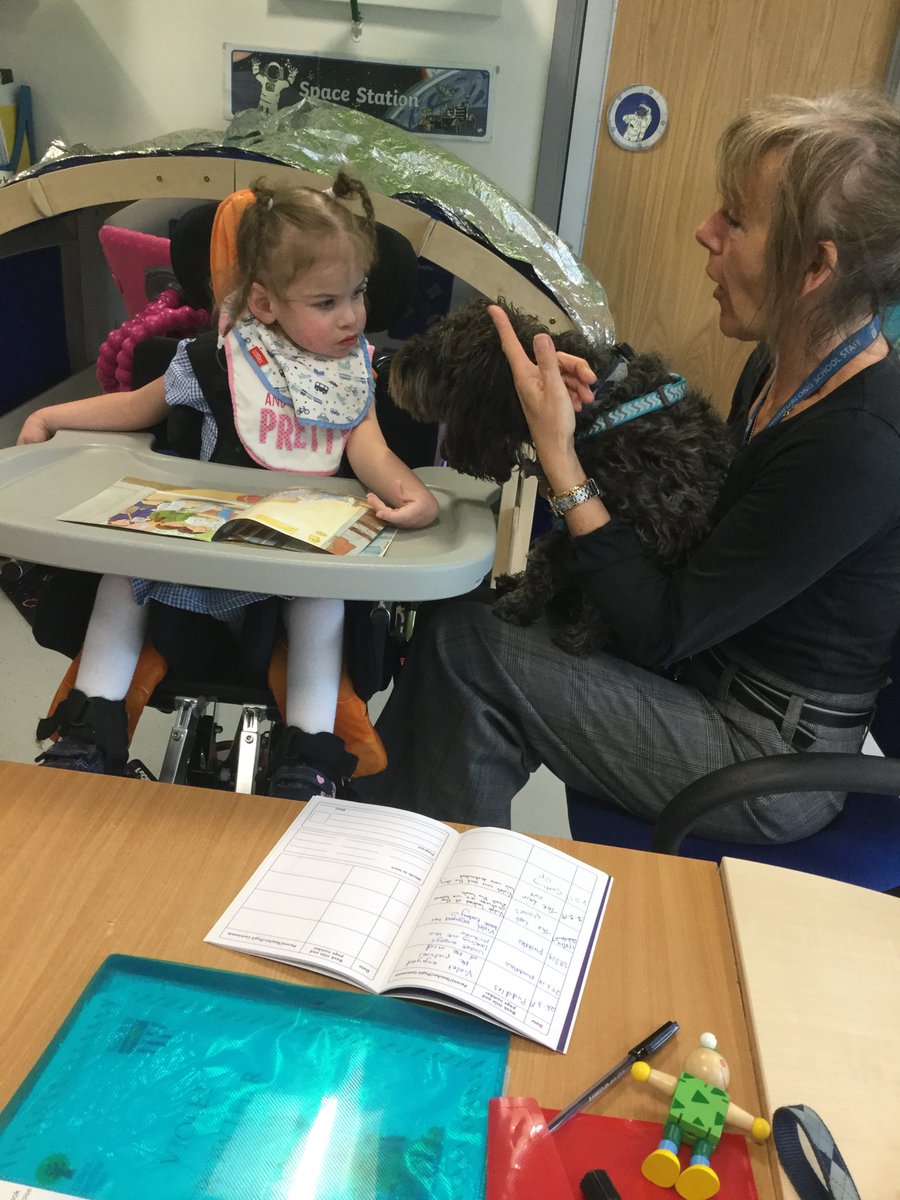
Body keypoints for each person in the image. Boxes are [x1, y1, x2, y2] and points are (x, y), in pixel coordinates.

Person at [356, 90, 900, 841]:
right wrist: (590, 407)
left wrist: (560, 455)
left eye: (736, 219)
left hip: (768, 756)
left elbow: (661, 629)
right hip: (708, 670)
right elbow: (705, 543)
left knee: (468, 650)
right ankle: (432, 860)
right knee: (481, 620)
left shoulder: (859, 444)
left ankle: (406, 868)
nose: (705, 231)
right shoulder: (780, 365)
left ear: (814, 265)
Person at [18, 172, 438, 799]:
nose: (352, 316)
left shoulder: (350, 375)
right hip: (198, 554)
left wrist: (413, 496)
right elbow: (136, 407)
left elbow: (369, 449)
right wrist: (54, 416)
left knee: (324, 599)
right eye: (326, 303)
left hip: (293, 564)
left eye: (358, 293)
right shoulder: (214, 360)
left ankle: (309, 757)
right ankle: (88, 730)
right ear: (264, 304)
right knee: (122, 576)